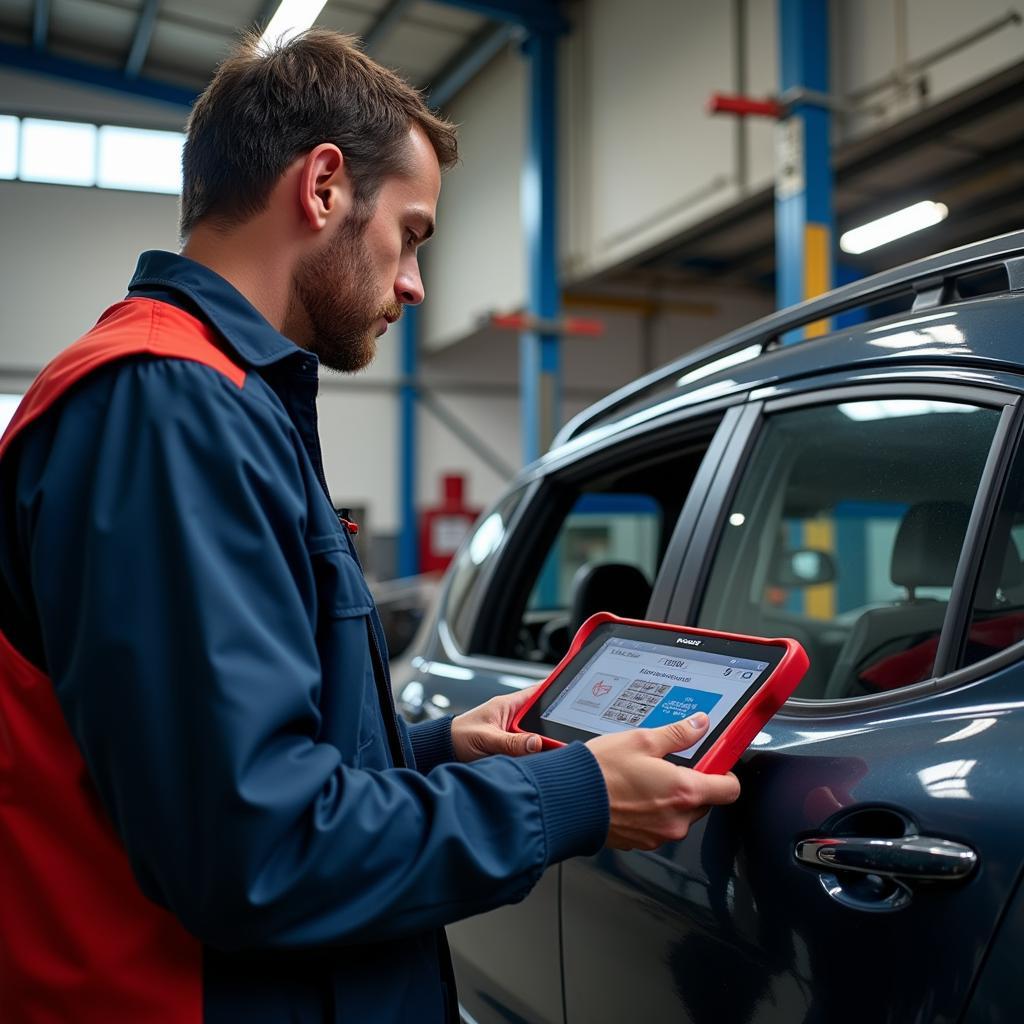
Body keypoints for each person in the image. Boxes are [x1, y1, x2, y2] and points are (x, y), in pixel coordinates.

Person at [0, 30, 740, 1024]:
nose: (414, 283)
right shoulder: (167, 407)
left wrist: (433, 750)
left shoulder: (215, 401)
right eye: (413, 233)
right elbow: (252, 851)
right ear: (322, 188)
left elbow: (221, 757)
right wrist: (571, 796)